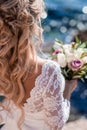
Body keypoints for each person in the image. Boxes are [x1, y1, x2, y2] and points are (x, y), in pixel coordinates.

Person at [0, 0, 77, 130]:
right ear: (33, 24)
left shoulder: (3, 64)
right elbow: (56, 125)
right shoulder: (48, 70)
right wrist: (68, 88)